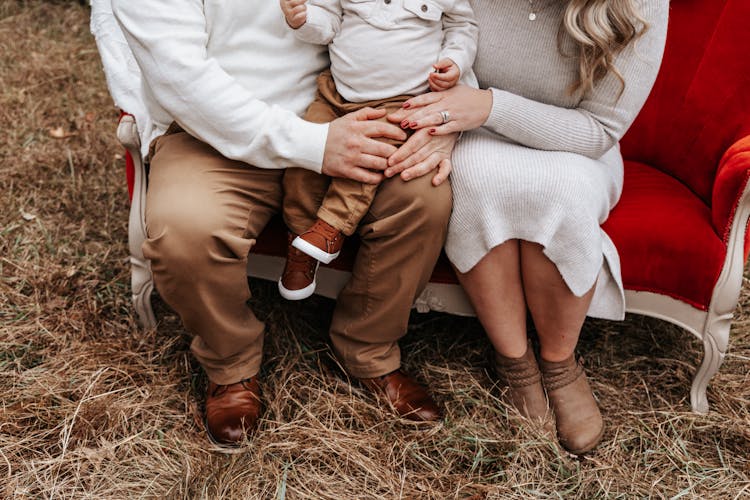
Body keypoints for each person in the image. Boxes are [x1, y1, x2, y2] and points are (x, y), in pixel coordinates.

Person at [112, 0, 456, 446]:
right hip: (212, 133)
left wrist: (443, 109)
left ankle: (367, 347)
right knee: (184, 230)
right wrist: (314, 145)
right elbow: (183, 80)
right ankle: (231, 364)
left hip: (343, 108)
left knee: (420, 200)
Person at [389, 0, 669, 455]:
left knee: (562, 192)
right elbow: (435, 47)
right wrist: (451, 117)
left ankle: (560, 365)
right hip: (472, 130)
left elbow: (600, 129)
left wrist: (490, 107)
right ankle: (515, 363)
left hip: (576, 146)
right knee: (476, 182)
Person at [276, 0, 477, 300]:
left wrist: (455, 61)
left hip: (399, 102)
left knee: (365, 161)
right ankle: (300, 245)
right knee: (304, 164)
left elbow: (463, 26)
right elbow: (328, 21)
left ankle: (332, 227)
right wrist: (304, 20)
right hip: (336, 94)